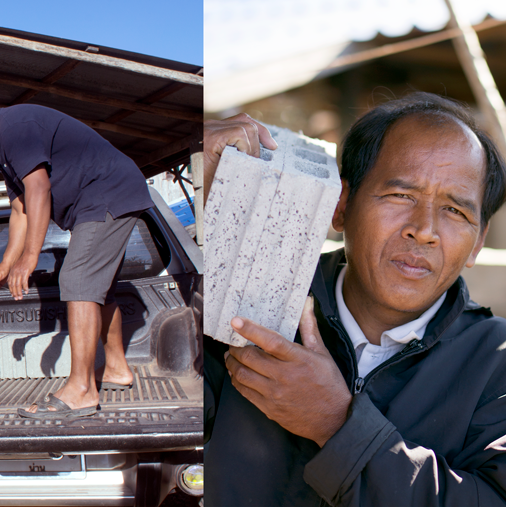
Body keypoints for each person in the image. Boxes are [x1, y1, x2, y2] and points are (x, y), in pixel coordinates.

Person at [202, 92, 506, 505]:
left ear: (477, 244)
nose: (425, 230)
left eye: (455, 211)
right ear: (342, 204)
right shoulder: (244, 301)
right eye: (402, 196)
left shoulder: (496, 360)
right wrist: (200, 216)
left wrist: (337, 425)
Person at [0, 92, 154, 418]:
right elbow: (21, 208)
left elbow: (39, 189)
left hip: (107, 192)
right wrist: (4, 266)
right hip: (99, 198)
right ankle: (116, 370)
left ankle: (81, 390)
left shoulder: (17, 126)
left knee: (77, 278)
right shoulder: (5, 152)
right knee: (97, 287)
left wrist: (30, 257)